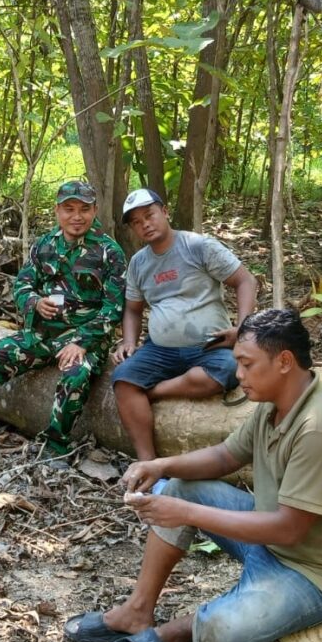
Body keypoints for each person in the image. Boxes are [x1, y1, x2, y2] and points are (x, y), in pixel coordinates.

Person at [64, 308, 322, 642]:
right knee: (179, 488)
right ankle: (137, 610)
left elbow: (289, 529)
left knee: (220, 633)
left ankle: (186, 628)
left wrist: (186, 513)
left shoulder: (320, 426)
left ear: (284, 362)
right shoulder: (275, 405)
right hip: (272, 539)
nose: (238, 374)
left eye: (247, 364)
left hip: (321, 572)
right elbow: (225, 456)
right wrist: (161, 465)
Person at [0, 181, 126, 465]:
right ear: (57, 211)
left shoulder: (109, 252)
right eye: (69, 209)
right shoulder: (45, 245)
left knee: (76, 375)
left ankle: (56, 446)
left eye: (84, 209)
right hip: (42, 335)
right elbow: (22, 285)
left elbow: (114, 307)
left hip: (85, 339)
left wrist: (82, 342)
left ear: (95, 210)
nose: (76, 216)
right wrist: (34, 302)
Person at [111, 188, 258, 462]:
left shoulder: (198, 246)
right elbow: (133, 309)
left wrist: (242, 329)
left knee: (226, 370)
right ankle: (147, 464)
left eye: (149, 215)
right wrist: (129, 341)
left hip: (209, 344)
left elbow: (245, 281)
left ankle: (153, 392)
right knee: (123, 379)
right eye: (137, 222)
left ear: (165, 212)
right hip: (161, 349)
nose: (145, 224)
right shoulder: (138, 263)